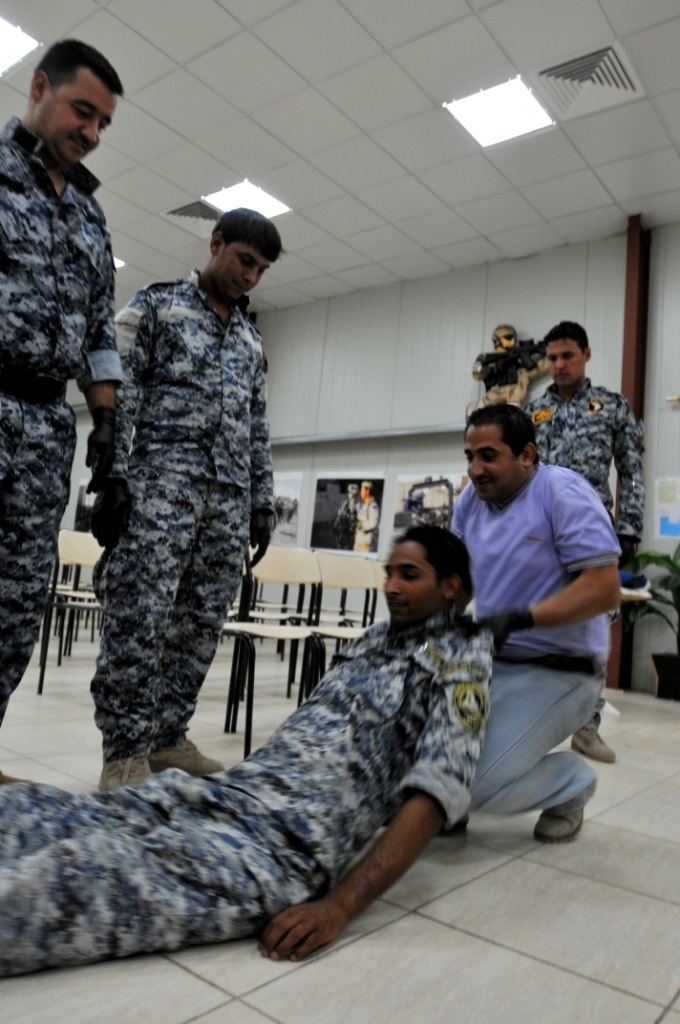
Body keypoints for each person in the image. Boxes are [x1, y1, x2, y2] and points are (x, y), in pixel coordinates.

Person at [0, 525, 493, 977]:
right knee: (41, 812)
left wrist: (340, 906)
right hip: (229, 794)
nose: (391, 588)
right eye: (389, 574)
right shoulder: (375, 638)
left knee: (74, 877)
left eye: (410, 576)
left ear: (451, 586)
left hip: (279, 847)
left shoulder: (465, 659)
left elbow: (434, 792)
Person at [90, 208, 282, 792]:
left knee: (199, 626)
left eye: (261, 270)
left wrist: (263, 502)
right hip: (158, 492)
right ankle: (122, 752)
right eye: (244, 261)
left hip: (226, 507)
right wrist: (113, 475)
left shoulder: (251, 341)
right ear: (216, 243)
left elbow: (257, 426)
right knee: (139, 620)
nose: (250, 276)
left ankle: (167, 737)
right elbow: (120, 392)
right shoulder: (157, 307)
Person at [0, 40, 124, 784]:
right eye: (83, 111)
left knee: (14, 610)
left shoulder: (90, 216)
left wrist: (106, 425)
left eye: (103, 123)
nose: (91, 133)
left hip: (47, 431)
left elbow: (99, 332)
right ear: (40, 87)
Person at [454, 404, 621, 843]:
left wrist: (524, 618)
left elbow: (604, 589)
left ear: (526, 455)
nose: (475, 469)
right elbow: (459, 582)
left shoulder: (561, 493)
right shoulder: (470, 501)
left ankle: (571, 785)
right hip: (493, 660)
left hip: (563, 669)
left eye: (487, 456)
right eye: (469, 456)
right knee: (423, 749)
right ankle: (448, 799)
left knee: (477, 783)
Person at [525, 320, 645, 763]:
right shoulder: (532, 414)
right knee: (541, 625)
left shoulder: (612, 407)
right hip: (541, 535)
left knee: (594, 628)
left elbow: (631, 471)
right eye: (552, 358)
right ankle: (536, 721)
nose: (558, 365)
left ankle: (587, 727)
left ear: (587, 355)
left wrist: (629, 528)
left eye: (567, 356)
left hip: (593, 536)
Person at [467, 323, 548, 417]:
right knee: (478, 412)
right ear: (497, 341)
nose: (511, 342)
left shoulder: (520, 369)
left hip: (513, 396)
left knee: (513, 413)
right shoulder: (486, 357)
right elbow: (476, 370)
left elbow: (536, 369)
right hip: (494, 394)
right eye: (507, 339)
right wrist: (490, 369)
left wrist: (553, 357)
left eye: (512, 339)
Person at [354, 479, 380, 552]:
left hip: (365, 542)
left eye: (362, 491)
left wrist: (361, 525)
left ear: (367, 491)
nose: (360, 493)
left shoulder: (373, 506)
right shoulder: (362, 504)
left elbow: (373, 523)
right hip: (359, 541)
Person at [332, 483, 359, 549]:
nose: (350, 494)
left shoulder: (358, 506)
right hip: (341, 533)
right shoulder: (345, 504)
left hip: (350, 534)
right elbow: (339, 515)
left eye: (351, 493)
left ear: (355, 494)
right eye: (349, 492)